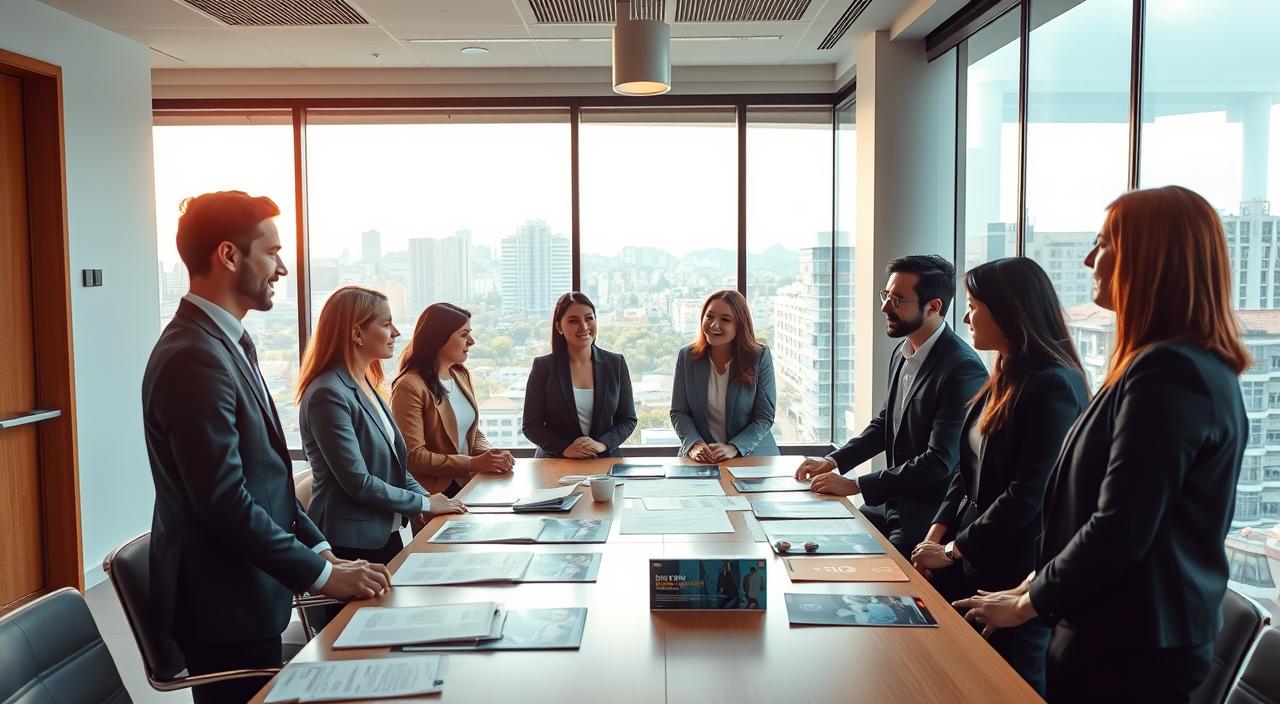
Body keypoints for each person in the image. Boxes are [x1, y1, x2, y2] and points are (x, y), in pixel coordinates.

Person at [954, 186, 1250, 704]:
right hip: (1113, 632)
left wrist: (1027, 604)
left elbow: (1121, 526)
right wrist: (1029, 585)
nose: (1089, 259)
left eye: (1104, 243)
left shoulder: (1169, 371)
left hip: (1129, 646)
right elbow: (1090, 511)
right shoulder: (1161, 364)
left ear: (1150, 257)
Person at [142, 191, 390, 704]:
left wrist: (324, 553)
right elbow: (224, 501)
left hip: (252, 590)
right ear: (229, 255)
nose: (282, 268)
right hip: (223, 603)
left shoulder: (225, 342)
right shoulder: (193, 355)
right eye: (273, 252)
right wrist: (323, 575)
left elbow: (269, 479)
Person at [909, 257, 1089, 696]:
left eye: (973, 306)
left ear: (1009, 310)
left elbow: (1027, 494)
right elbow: (965, 471)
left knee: (1009, 687)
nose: (966, 317)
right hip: (973, 558)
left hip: (1013, 572)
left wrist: (951, 550)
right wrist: (936, 536)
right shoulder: (1005, 374)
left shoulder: (1052, 385)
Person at [796, 255, 988, 555]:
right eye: (886, 295)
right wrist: (834, 461)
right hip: (889, 507)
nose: (885, 307)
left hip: (926, 519)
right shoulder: (902, 351)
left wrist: (858, 485)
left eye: (897, 299)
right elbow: (885, 424)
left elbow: (939, 461)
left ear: (933, 307)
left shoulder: (962, 368)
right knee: (815, 535)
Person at [298, 286, 465, 572]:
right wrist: (423, 504)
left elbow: (395, 467)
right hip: (349, 545)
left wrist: (426, 499)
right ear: (357, 333)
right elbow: (358, 481)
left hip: (384, 535)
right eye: (386, 324)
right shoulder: (328, 393)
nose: (396, 332)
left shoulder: (365, 384)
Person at [390, 302, 515, 497]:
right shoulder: (409, 386)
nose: (471, 341)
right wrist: (473, 463)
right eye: (464, 335)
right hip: (434, 493)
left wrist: (491, 454)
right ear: (438, 339)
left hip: (471, 484)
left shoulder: (460, 374)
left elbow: (470, 430)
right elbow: (413, 457)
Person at [522, 292, 637, 457]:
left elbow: (628, 419)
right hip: (556, 461)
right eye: (573, 321)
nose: (584, 327)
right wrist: (564, 448)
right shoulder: (543, 367)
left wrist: (602, 444)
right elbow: (531, 425)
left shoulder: (616, 364)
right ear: (559, 327)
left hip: (604, 461)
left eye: (589, 318)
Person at [670, 290, 779, 462]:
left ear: (740, 324)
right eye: (709, 317)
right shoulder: (687, 356)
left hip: (750, 455)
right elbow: (679, 412)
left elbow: (764, 417)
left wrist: (734, 447)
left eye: (725, 320)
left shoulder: (759, 356)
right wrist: (694, 445)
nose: (714, 325)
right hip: (703, 457)